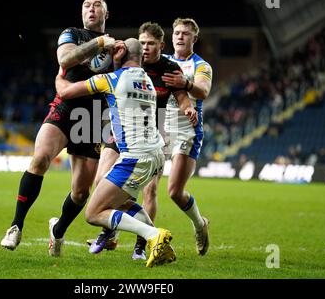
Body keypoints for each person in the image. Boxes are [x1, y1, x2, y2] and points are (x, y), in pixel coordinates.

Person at [0, 0, 116, 256]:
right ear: (81, 12)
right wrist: (99, 43)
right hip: (66, 107)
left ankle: (58, 230)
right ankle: (16, 225)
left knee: (80, 192)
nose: (92, 9)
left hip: (95, 117)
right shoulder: (71, 34)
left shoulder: (115, 46)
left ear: (106, 14)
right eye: (87, 5)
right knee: (40, 159)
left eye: (98, 6)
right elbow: (65, 60)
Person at [55, 38, 178, 268]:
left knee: (93, 213)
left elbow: (66, 92)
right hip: (155, 154)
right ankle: (159, 242)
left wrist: (61, 73)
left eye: (114, 51)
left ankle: (153, 236)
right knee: (121, 203)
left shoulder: (112, 79)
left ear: (121, 52)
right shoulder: (148, 81)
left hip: (135, 157)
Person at [87, 22, 197, 260]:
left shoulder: (169, 68)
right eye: (143, 42)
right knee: (102, 181)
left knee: (150, 191)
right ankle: (112, 233)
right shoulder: (129, 61)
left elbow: (182, 98)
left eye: (151, 44)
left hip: (150, 135)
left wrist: (188, 109)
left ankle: (142, 244)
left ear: (161, 46)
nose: (146, 48)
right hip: (121, 129)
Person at [161, 17, 213, 256]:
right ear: (171, 37)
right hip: (159, 128)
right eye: (177, 33)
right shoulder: (162, 62)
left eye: (185, 33)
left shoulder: (201, 66)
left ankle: (199, 223)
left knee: (174, 191)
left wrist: (186, 82)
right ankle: (142, 243)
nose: (180, 37)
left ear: (195, 38)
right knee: (147, 187)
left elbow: (203, 90)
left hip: (186, 129)